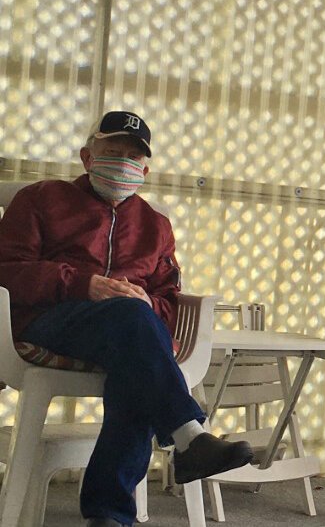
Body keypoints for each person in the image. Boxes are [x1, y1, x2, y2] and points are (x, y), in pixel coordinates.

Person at [0, 111, 254, 527]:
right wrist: (84, 284)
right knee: (134, 330)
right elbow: (7, 268)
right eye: (112, 152)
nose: (122, 163)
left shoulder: (156, 225)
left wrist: (144, 305)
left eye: (132, 157)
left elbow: (167, 300)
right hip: (49, 321)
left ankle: (108, 517)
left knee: (135, 352)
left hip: (126, 332)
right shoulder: (40, 199)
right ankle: (187, 437)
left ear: (145, 170)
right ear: (87, 156)